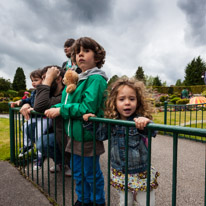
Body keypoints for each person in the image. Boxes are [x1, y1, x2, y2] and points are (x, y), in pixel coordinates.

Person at [44, 37, 107, 206]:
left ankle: (97, 202)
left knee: (91, 173)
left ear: (97, 57)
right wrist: (55, 107)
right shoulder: (80, 79)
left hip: (88, 135)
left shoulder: (96, 79)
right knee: (78, 172)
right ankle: (84, 200)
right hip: (75, 135)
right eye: (77, 52)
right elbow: (67, 103)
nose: (80, 54)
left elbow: (87, 107)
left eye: (86, 51)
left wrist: (61, 110)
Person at [83, 78, 159, 206]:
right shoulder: (112, 122)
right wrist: (91, 122)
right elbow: (100, 135)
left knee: (146, 202)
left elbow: (152, 131)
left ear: (138, 101)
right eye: (122, 99)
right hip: (120, 171)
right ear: (114, 102)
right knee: (125, 202)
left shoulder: (138, 121)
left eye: (132, 99)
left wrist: (146, 122)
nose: (127, 103)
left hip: (140, 171)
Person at [33, 65, 72, 176]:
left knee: (43, 142)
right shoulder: (50, 94)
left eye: (47, 78)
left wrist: (48, 79)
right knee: (35, 133)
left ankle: (70, 163)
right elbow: (36, 104)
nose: (45, 82)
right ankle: (62, 163)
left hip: (70, 137)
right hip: (58, 134)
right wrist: (25, 104)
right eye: (45, 78)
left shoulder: (67, 94)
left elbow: (39, 106)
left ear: (59, 79)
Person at [11, 69, 52, 170]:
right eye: (32, 80)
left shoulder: (47, 91)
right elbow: (29, 100)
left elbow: (47, 103)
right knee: (24, 127)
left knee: (39, 133)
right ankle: (28, 145)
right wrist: (20, 102)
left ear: (43, 80)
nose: (33, 83)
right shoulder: (34, 92)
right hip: (36, 117)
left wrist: (35, 108)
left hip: (44, 118)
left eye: (36, 80)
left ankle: (40, 156)